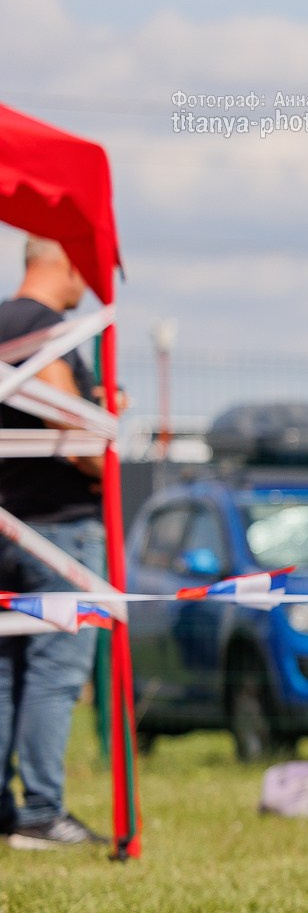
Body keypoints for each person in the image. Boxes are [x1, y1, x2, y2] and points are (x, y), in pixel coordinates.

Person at [0, 237, 110, 850]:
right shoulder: (48, 329)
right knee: (55, 670)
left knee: (3, 671)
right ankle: (42, 812)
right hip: (59, 531)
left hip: (6, 522)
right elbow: (73, 428)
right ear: (63, 261)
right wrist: (104, 436)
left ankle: (5, 809)